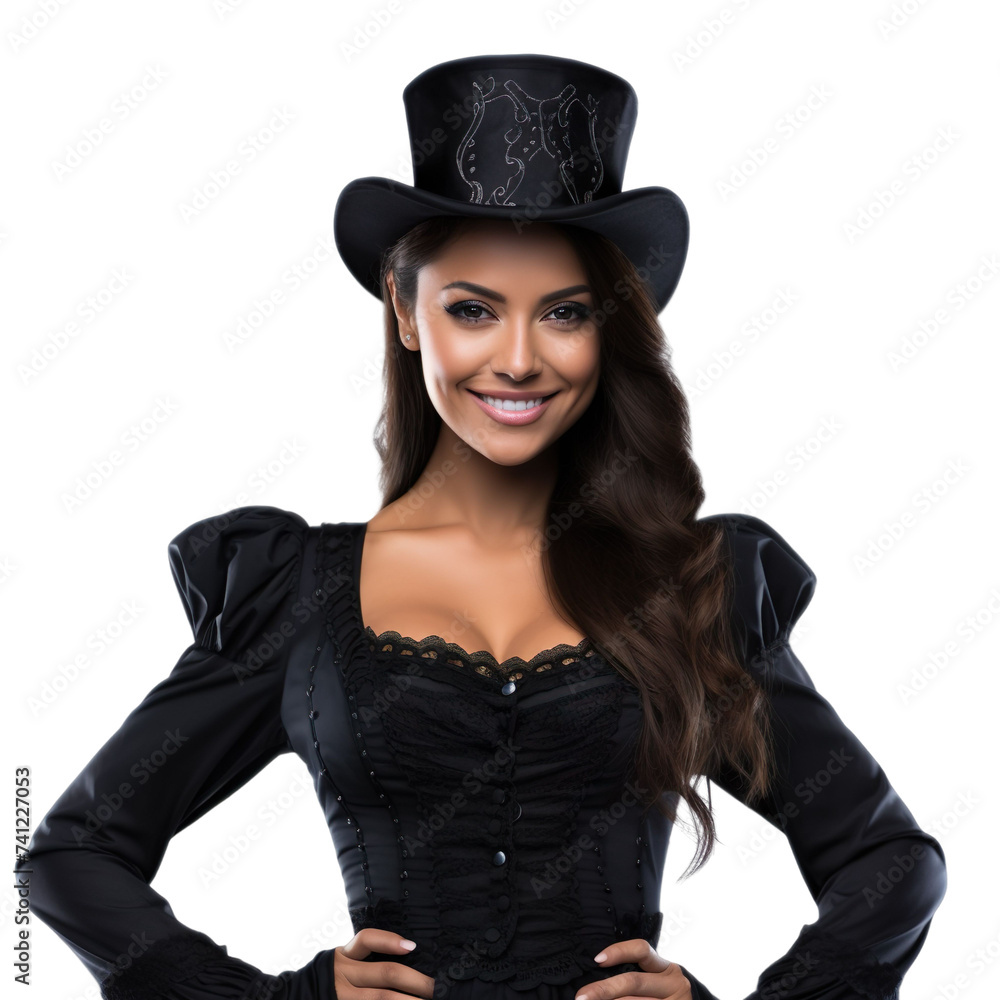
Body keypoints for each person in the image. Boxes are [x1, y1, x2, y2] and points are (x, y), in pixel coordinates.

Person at [17, 54, 946, 1000]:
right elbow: (71, 856)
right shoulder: (295, 591)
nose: (519, 359)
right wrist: (279, 999)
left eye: (565, 314)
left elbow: (891, 861)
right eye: (472, 309)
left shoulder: (693, 587)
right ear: (404, 308)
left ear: (607, 328)